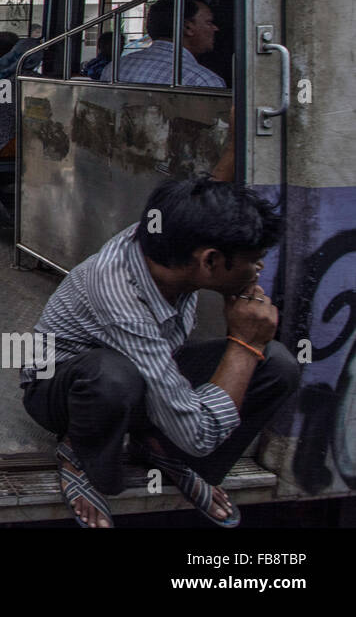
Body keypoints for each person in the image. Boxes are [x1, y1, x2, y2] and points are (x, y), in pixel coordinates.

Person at [21, 176, 298, 528]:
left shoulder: (169, 237)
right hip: (62, 389)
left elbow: (200, 198)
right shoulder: (118, 293)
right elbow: (199, 436)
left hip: (149, 370)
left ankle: (160, 448)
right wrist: (245, 344)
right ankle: (79, 455)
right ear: (211, 261)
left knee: (277, 365)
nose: (258, 270)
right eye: (254, 261)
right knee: (113, 375)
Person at [100, 0, 225, 88]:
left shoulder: (113, 69)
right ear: (187, 27)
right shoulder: (203, 81)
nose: (215, 28)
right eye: (209, 23)